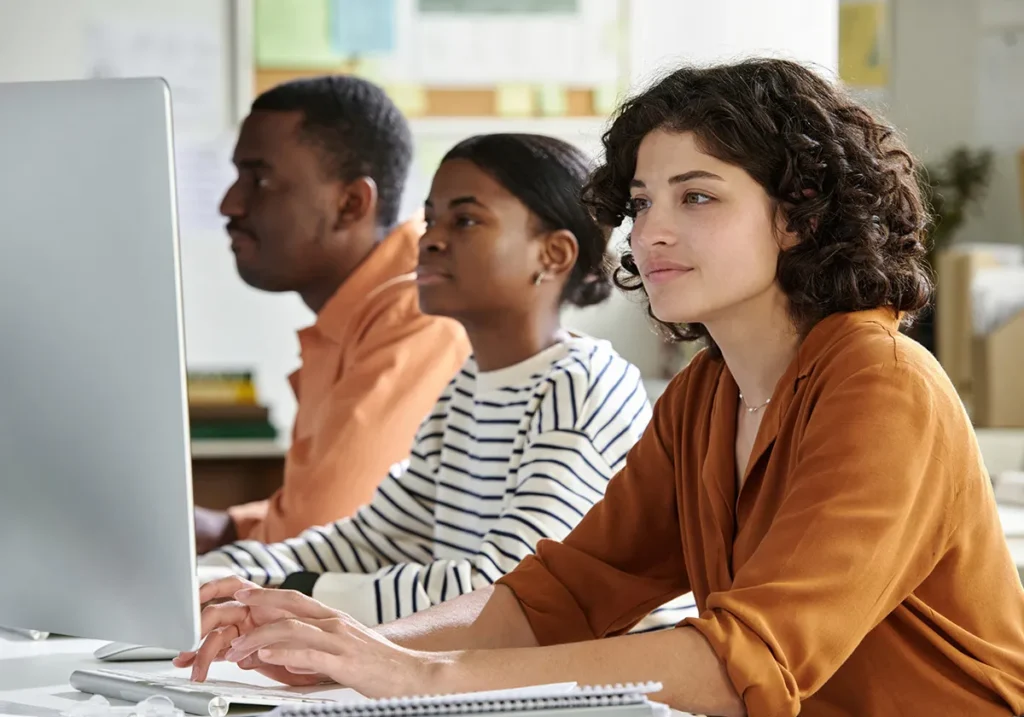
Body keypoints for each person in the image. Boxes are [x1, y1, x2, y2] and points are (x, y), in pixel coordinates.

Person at [182, 60, 1024, 715]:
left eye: (697, 197)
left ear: (797, 215)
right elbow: (567, 593)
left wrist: (415, 672)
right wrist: (348, 643)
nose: (651, 230)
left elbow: (743, 664)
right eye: (643, 199)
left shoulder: (880, 383)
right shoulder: (707, 394)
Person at [177, 132, 696, 679]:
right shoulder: (468, 385)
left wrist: (293, 593)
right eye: (430, 219)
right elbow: (371, 538)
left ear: (553, 254)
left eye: (465, 221)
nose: (431, 240)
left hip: (604, 691)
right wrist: (215, 577)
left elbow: (505, 585)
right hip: (488, 675)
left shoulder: (583, 384)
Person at [194, 76, 469, 552]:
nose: (230, 204)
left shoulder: (422, 310)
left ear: (350, 204)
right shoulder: (358, 311)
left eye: (259, 179)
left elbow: (323, 539)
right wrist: (226, 527)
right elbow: (324, 517)